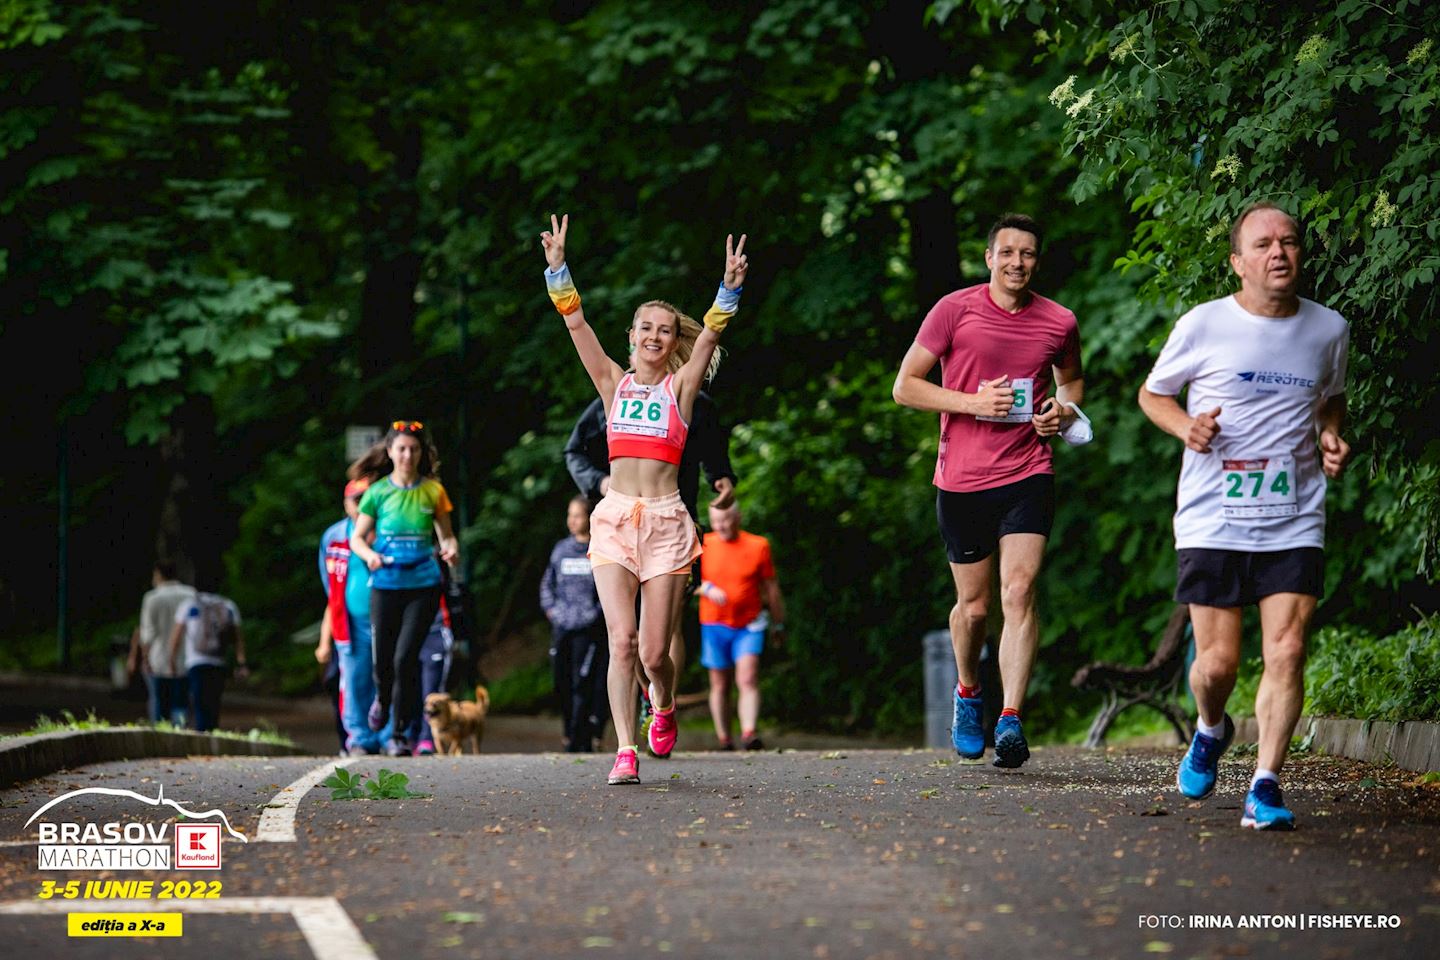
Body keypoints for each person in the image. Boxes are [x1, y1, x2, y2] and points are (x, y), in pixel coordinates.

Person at [1138, 202, 1350, 831]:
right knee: (1217, 666)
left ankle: (1266, 783)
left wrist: (1331, 436)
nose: (1277, 252)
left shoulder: (1328, 328)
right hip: (1214, 516)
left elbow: (1331, 401)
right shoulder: (1204, 325)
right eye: (1262, 244)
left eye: (1288, 242)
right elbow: (1154, 395)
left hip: (1293, 513)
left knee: (1286, 650)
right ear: (1238, 261)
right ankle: (1210, 726)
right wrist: (1188, 427)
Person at [540, 212, 747, 784]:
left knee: (657, 654)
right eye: (645, 328)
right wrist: (558, 269)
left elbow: (710, 334)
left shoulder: (682, 390)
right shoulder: (613, 383)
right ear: (631, 337)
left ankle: (663, 699)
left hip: (666, 524)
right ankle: (625, 750)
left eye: (664, 330)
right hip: (612, 523)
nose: (655, 336)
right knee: (621, 640)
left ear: (671, 341)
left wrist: (728, 286)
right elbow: (576, 325)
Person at [892, 212, 1090, 769]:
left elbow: (1070, 382)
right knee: (975, 608)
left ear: (1036, 260)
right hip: (961, 479)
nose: (1017, 263)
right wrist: (973, 403)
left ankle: (1010, 720)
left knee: (1019, 591)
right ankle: (969, 693)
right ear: (989, 258)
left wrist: (1061, 409)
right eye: (1007, 253)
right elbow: (905, 386)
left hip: (1029, 471)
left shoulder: (1059, 321)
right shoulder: (953, 310)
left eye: (1027, 254)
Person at [564, 369, 737, 735]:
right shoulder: (615, 400)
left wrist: (721, 476)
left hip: (676, 524)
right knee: (626, 637)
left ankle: (661, 700)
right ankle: (646, 704)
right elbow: (575, 451)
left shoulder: (697, 402)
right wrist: (599, 481)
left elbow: (713, 452)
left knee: (663, 633)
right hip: (623, 525)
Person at [349, 421, 460, 757]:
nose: (408, 455)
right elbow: (356, 538)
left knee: (405, 659)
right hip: (385, 584)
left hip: (423, 584)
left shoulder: (434, 491)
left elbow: (447, 536)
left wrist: (451, 549)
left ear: (421, 453)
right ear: (390, 452)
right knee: (383, 662)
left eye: (413, 449)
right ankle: (382, 699)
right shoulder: (378, 492)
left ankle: (399, 734)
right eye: (401, 448)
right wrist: (370, 556)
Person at [698, 501, 786, 750]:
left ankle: (749, 732)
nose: (722, 526)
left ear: (738, 517)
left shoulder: (759, 545)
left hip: (750, 623)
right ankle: (724, 738)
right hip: (713, 623)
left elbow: (771, 588)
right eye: (716, 521)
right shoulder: (704, 544)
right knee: (720, 683)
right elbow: (686, 582)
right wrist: (705, 587)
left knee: (748, 676)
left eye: (726, 519)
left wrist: (778, 624)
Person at [319, 473, 393, 756]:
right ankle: (360, 738)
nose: (361, 505)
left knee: (388, 676)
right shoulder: (334, 536)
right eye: (356, 499)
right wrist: (325, 640)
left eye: (366, 499)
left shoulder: (389, 528)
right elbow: (329, 585)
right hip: (350, 622)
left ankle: (390, 735)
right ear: (346, 503)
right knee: (354, 679)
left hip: (388, 617)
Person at [541, 495, 610, 753]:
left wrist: (593, 615)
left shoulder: (600, 550)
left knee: (585, 683)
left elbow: (609, 589)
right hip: (562, 627)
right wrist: (552, 611)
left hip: (590, 630)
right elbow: (547, 584)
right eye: (569, 515)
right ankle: (569, 730)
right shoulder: (560, 550)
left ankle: (582, 738)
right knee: (562, 681)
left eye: (577, 515)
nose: (572, 520)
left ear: (589, 518)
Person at [169, 590, 248, 733]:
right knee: (214, 704)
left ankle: (202, 738)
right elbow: (238, 640)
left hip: (195, 662)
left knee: (199, 704)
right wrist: (241, 663)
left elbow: (176, 637)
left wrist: (172, 661)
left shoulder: (189, 605)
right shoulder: (229, 605)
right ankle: (212, 736)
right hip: (218, 662)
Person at [126, 561, 194, 726]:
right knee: (181, 703)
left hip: (159, 659)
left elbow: (148, 633)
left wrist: (142, 657)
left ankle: (161, 739)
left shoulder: (152, 598)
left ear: (158, 574)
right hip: (186, 659)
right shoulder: (191, 594)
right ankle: (180, 736)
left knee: (158, 702)